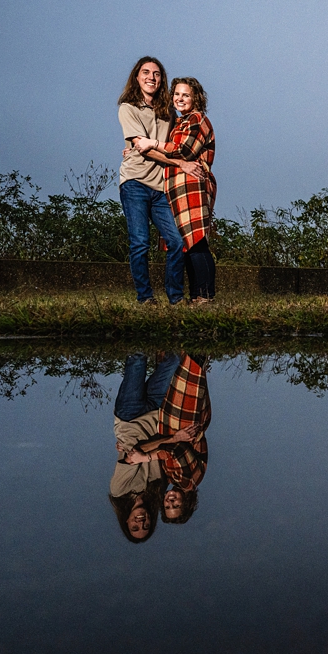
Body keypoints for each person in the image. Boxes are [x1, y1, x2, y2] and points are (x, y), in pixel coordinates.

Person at [133, 78, 217, 303]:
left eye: (186, 95)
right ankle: (195, 295)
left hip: (192, 186)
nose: (180, 99)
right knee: (186, 245)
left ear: (195, 98)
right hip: (176, 189)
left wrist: (151, 144)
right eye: (176, 94)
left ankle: (206, 295)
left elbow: (184, 150)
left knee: (197, 242)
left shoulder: (197, 119)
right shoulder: (180, 122)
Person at [117, 57, 186, 305]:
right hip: (135, 182)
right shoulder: (128, 107)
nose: (151, 78)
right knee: (140, 242)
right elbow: (143, 148)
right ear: (137, 76)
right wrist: (179, 162)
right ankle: (145, 298)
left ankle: (176, 298)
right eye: (145, 72)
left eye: (156, 74)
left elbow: (179, 142)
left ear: (162, 80)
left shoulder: (168, 111)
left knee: (177, 242)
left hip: (160, 187)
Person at [109, 351, 179, 542]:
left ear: (126, 522)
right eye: (146, 526)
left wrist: (167, 442)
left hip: (129, 417)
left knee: (137, 360)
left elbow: (137, 451)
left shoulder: (119, 491)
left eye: (135, 526)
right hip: (155, 413)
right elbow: (167, 455)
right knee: (173, 361)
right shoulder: (158, 489)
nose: (141, 521)